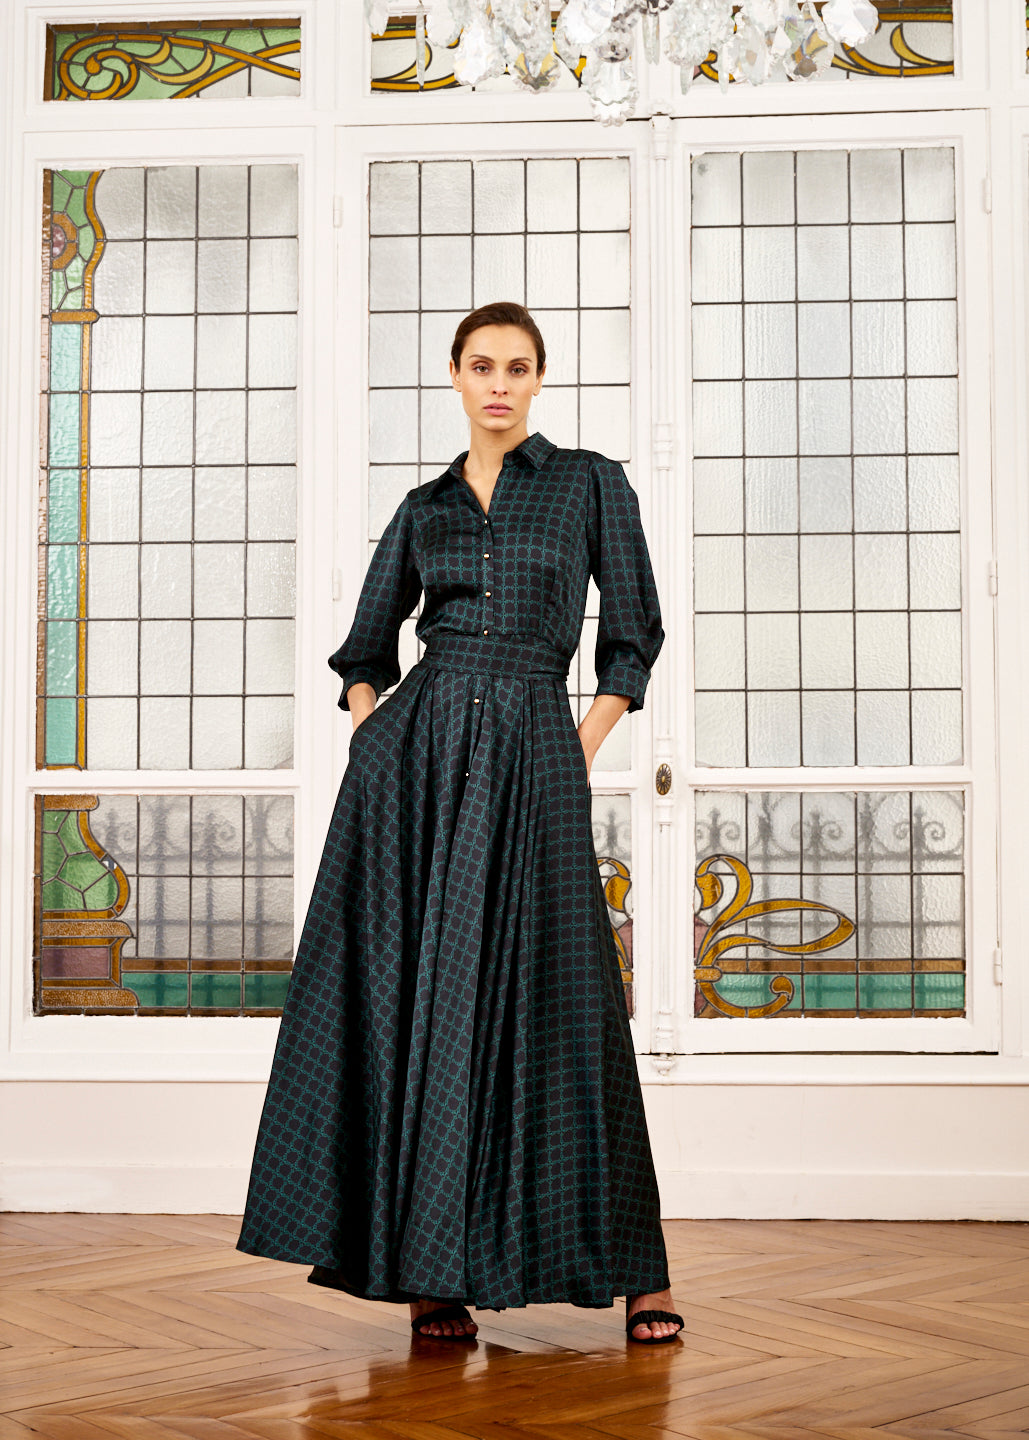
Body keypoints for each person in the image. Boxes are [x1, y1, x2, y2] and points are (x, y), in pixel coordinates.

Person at [236, 300, 683, 1346]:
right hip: (421, 764)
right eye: (481, 365)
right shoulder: (424, 506)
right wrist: (371, 734)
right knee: (418, 1001)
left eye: (517, 368)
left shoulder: (587, 485)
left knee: (567, 1000)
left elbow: (632, 636)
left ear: (539, 382)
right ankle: (431, 1272)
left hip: (536, 743)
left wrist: (575, 747)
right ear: (452, 374)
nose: (499, 383)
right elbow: (365, 647)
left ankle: (640, 1273)